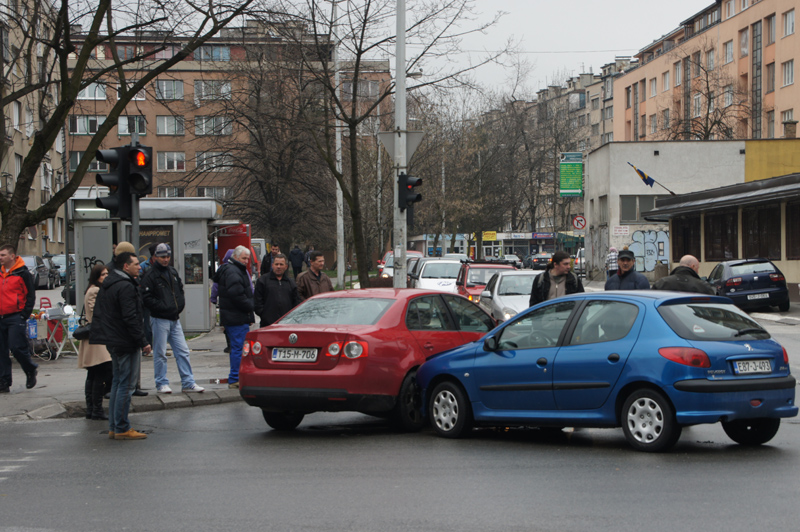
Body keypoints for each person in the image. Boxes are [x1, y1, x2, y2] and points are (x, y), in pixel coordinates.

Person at [90, 252, 152, 440]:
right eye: (135, 264)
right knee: (126, 384)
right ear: (126, 266)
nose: (139, 267)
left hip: (113, 339)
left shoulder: (110, 283)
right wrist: (143, 341)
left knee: (118, 382)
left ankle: (115, 426)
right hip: (125, 340)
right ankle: (122, 427)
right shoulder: (125, 286)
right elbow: (130, 317)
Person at [140, 243, 205, 394]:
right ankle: (162, 382)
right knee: (160, 353)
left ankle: (188, 382)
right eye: (162, 256)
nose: (165, 259)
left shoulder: (172, 272)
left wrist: (178, 306)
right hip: (160, 318)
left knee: (183, 351)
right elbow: (146, 298)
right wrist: (164, 307)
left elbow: (179, 291)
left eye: (167, 256)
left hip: (174, 318)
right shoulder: (150, 275)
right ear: (155, 257)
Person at [213, 245, 255, 389]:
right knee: (238, 348)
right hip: (237, 316)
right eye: (244, 258)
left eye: (248, 259)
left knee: (237, 347)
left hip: (233, 315)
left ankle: (236, 376)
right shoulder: (234, 272)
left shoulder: (230, 269)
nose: (246, 261)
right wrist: (250, 306)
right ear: (235, 257)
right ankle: (235, 378)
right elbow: (237, 295)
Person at [0, 244, 38, 393]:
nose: (0, 258)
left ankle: (30, 369)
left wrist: (24, 314)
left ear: (12, 256)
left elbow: (30, 295)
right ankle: (4, 381)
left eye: (3, 255)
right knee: (1, 351)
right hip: (1, 316)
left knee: (17, 347)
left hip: (16, 316)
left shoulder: (22, 273)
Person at [77, 264, 112, 419]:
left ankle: (92, 409)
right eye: (103, 274)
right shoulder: (95, 291)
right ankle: (95, 409)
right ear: (96, 276)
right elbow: (97, 312)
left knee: (93, 373)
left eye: (107, 274)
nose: (106, 276)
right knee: (100, 372)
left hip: (96, 336)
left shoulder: (93, 289)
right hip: (98, 337)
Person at [254, 254, 303, 327]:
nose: (279, 267)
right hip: (267, 325)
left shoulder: (291, 283)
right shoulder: (263, 281)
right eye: (276, 264)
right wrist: (265, 315)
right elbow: (257, 302)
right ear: (272, 265)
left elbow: (296, 302)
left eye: (281, 264)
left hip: (286, 325)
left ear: (286, 266)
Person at [210, 249, 235, 354]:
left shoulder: (221, 269)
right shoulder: (241, 269)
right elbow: (250, 288)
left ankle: (229, 345)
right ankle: (235, 345)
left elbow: (215, 286)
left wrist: (213, 298)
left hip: (225, 302)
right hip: (237, 302)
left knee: (227, 324)